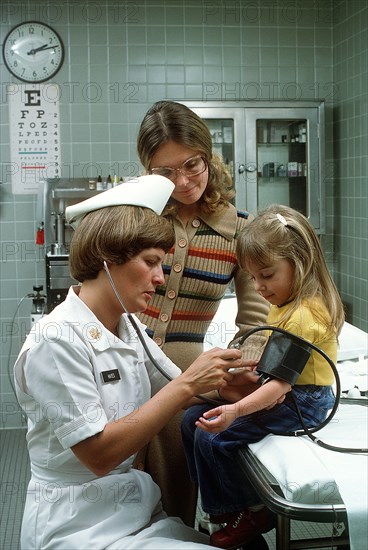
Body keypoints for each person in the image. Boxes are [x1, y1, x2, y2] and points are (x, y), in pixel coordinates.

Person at [13, 175, 255, 550]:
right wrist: (188, 385)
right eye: (152, 263)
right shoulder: (57, 338)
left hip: (130, 510)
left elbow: (177, 388)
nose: (160, 279)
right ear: (110, 258)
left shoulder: (128, 327)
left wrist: (227, 387)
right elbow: (99, 455)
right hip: (77, 525)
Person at [136, 100, 270, 525]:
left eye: (191, 164)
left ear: (209, 155)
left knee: (172, 498)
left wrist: (239, 366)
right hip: (118, 364)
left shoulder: (242, 231)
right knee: (112, 493)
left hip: (183, 375)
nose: (181, 180)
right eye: (165, 172)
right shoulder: (135, 217)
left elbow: (257, 323)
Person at [181, 204, 345, 549]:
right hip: (288, 389)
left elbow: (282, 387)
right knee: (190, 420)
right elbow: (278, 368)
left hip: (305, 402)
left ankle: (251, 512)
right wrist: (249, 371)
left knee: (212, 437)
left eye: (267, 276)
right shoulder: (286, 301)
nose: (258, 287)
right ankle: (222, 507)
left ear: (300, 263)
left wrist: (236, 410)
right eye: (253, 277)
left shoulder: (302, 316)